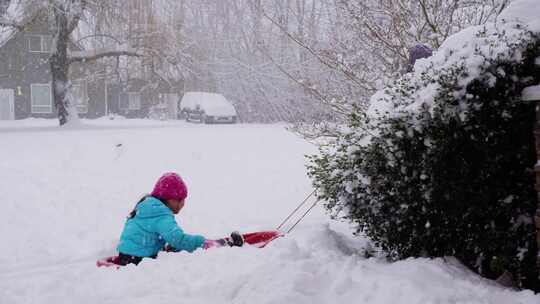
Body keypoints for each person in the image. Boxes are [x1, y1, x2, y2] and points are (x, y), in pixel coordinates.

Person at [116, 172, 243, 266]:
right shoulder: (161, 215)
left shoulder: (146, 206)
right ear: (169, 199)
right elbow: (180, 240)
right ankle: (223, 245)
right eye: (180, 199)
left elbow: (145, 233)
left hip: (125, 255)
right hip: (138, 261)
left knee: (171, 247)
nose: (183, 204)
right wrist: (202, 243)